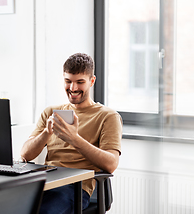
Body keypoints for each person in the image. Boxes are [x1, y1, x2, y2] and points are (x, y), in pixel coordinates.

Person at [20, 53, 122, 214]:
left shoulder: (107, 116)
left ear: (92, 81)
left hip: (76, 188)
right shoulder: (50, 112)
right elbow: (25, 154)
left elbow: (111, 164)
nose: (73, 88)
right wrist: (46, 133)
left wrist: (75, 139)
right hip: (46, 182)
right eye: (68, 81)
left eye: (80, 82)